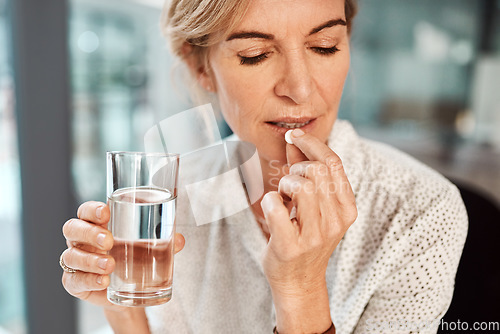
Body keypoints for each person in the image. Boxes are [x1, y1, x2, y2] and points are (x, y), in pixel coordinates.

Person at [60, 0, 468, 333]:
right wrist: (122, 310)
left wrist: (301, 288)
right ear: (200, 67)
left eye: (325, 45)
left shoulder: (419, 209)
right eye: (256, 55)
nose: (300, 88)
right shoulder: (169, 198)